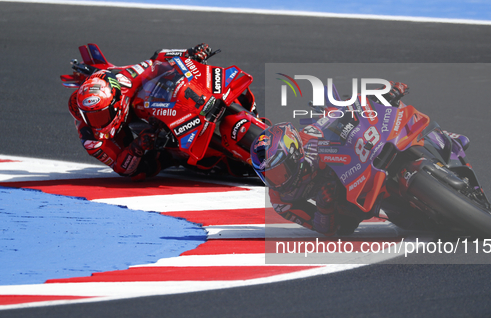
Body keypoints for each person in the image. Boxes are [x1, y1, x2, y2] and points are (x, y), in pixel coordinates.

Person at [250, 82, 408, 236]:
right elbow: (321, 229)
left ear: (294, 154)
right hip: (342, 199)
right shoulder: (281, 201)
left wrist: (383, 95)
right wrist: (324, 207)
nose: (277, 182)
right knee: (344, 229)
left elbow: (340, 114)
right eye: (268, 176)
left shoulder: (309, 138)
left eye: (279, 171)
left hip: (356, 163)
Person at [67, 44, 212, 180]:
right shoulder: (91, 139)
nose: (97, 122)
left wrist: (188, 53)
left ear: (114, 103)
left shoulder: (125, 81)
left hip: (142, 100)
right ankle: (172, 158)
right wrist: (137, 147)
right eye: (90, 117)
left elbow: (155, 59)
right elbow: (121, 168)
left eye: (100, 115)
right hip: (125, 136)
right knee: (139, 173)